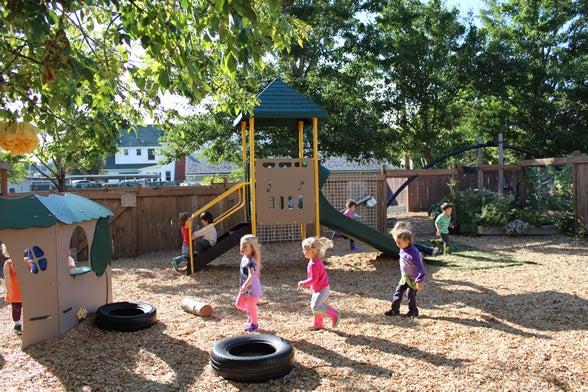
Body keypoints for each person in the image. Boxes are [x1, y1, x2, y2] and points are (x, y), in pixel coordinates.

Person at [297, 237, 340, 330]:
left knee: (316, 307)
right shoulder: (313, 261)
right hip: (318, 289)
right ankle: (318, 323)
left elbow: (314, 279)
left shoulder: (314, 264)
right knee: (315, 306)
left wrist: (304, 283)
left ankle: (334, 314)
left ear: (312, 252)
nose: (303, 251)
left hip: (322, 289)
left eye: (305, 249)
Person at [385, 224, 425, 318]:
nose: (397, 245)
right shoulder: (403, 249)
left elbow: (420, 267)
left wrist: (419, 281)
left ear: (407, 241)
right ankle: (395, 309)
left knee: (410, 295)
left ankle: (413, 311)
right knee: (398, 292)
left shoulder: (414, 253)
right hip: (405, 277)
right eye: (396, 242)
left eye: (399, 242)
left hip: (413, 278)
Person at [235, 235, 263, 332]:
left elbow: (251, 275)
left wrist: (244, 285)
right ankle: (252, 311)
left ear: (252, 248)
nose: (242, 248)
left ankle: (254, 324)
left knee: (250, 307)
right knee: (238, 304)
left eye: (245, 246)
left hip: (252, 289)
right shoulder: (244, 258)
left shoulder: (251, 261)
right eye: (241, 246)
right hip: (245, 288)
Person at [2, 244, 23, 334]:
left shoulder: (25, 261)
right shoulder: (8, 263)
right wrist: (9, 290)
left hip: (25, 291)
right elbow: (7, 277)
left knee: (30, 308)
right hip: (16, 291)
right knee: (16, 308)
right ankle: (17, 324)